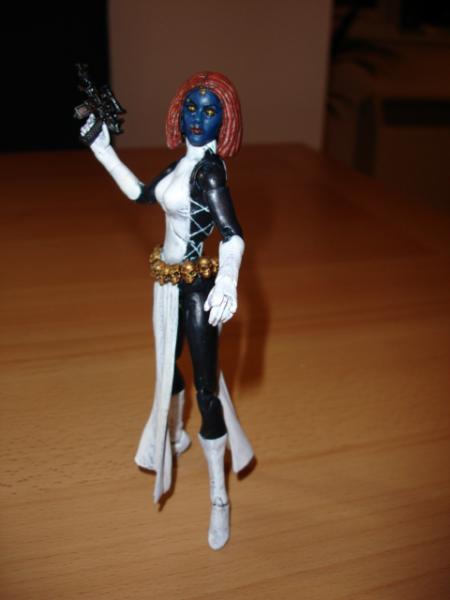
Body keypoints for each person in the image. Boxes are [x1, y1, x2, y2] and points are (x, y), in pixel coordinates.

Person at [80, 71, 253, 550]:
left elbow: (232, 233)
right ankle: (175, 435)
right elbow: (140, 193)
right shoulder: (181, 165)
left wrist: (228, 280)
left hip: (197, 289)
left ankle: (219, 496)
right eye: (191, 107)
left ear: (225, 120)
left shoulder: (209, 172)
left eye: (210, 110)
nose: (198, 118)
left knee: (206, 387)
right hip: (167, 286)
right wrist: (103, 149)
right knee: (167, 368)